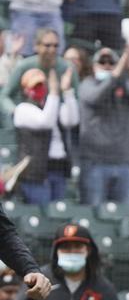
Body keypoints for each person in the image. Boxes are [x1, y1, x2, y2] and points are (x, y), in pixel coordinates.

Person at [78, 44, 129, 206]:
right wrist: (116, 74)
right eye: (102, 62)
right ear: (94, 66)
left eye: (111, 62)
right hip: (95, 163)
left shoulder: (124, 85)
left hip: (124, 162)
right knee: (93, 216)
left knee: (126, 216)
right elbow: (97, 97)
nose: (107, 65)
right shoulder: (87, 85)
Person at [13, 66, 77, 206]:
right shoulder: (22, 109)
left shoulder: (53, 105)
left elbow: (72, 120)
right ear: (25, 89)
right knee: (41, 214)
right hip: (36, 174)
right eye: (35, 86)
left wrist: (67, 92)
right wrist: (54, 93)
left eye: (42, 85)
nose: (39, 89)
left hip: (58, 168)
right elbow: (45, 121)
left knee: (58, 215)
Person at [0, 28, 79, 116]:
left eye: (56, 45)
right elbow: (4, 96)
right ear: (36, 46)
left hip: (59, 120)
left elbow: (78, 99)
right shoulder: (24, 66)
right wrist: (16, 112)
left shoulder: (67, 68)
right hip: (29, 119)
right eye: (47, 45)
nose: (52, 50)